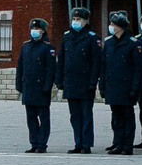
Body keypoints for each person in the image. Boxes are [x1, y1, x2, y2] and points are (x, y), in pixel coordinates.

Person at [59, 9, 101, 153]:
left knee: (86, 115)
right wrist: (59, 79)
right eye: (74, 18)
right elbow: (62, 59)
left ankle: (86, 144)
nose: (76, 21)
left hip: (85, 83)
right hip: (70, 82)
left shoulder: (92, 38)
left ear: (85, 21)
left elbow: (96, 63)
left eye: (79, 19)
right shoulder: (67, 36)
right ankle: (78, 143)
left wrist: (93, 82)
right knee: (75, 116)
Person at [15, 18, 58, 152]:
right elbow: (20, 66)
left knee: (43, 118)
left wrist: (47, 86)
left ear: (43, 31)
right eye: (33, 29)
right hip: (28, 87)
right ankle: (33, 143)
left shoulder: (48, 48)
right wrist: (19, 84)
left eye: (38, 29)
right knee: (31, 118)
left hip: (41, 89)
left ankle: (42, 144)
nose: (34, 31)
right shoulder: (26, 46)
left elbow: (51, 69)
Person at [102, 14, 142, 154]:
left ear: (120, 27)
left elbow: (137, 68)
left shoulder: (132, 43)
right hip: (112, 86)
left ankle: (127, 145)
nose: (111, 27)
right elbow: (104, 66)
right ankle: (118, 143)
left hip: (126, 87)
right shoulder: (108, 42)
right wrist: (102, 85)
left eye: (113, 25)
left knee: (127, 118)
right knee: (116, 118)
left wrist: (135, 87)